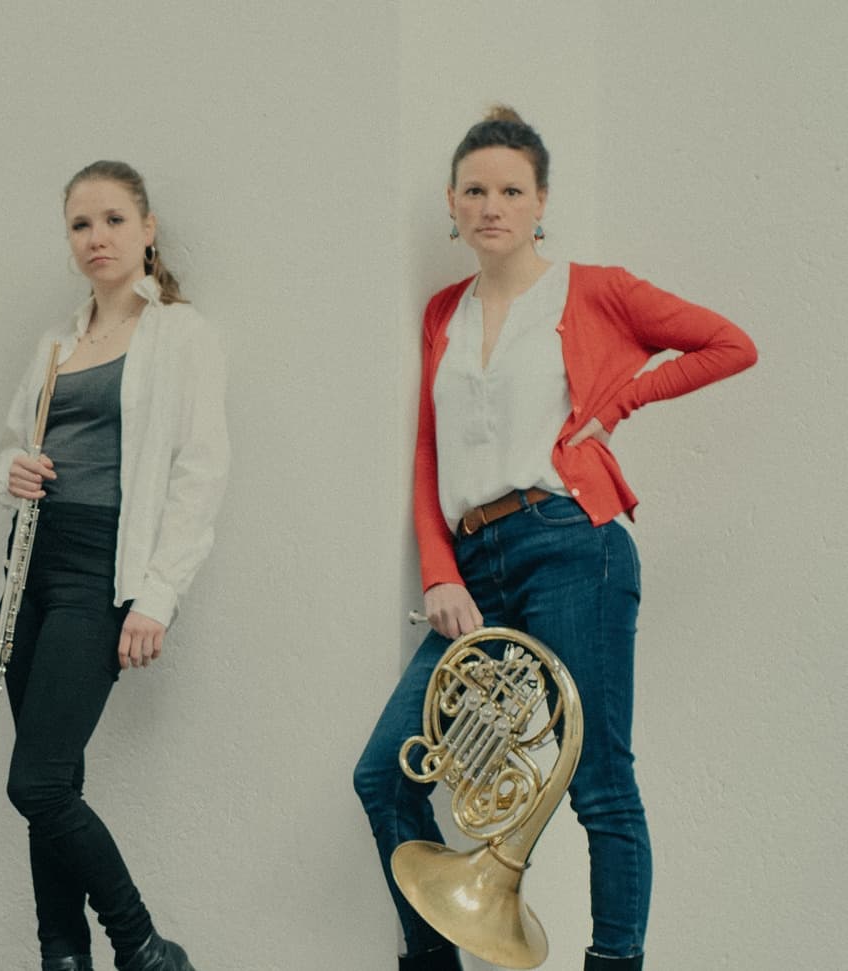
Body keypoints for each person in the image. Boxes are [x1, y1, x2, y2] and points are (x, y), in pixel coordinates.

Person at [351, 106, 757, 971]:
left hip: (576, 545)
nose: (491, 204)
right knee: (384, 775)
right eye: (474, 190)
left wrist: (619, 404)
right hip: (473, 567)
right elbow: (428, 453)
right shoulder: (440, 313)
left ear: (542, 202)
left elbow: (730, 343)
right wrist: (438, 572)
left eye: (510, 189)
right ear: (451, 206)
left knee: (600, 782)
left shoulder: (595, 288)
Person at [0, 160, 227, 971]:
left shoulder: (180, 335)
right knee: (54, 779)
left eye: (114, 220)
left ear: (147, 229)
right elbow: (15, 446)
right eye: (82, 225)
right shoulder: (57, 340)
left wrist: (157, 597)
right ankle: (63, 955)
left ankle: (144, 946)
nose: (98, 238)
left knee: (38, 783)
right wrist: (10, 470)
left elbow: (200, 473)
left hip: (102, 567)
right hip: (29, 565)